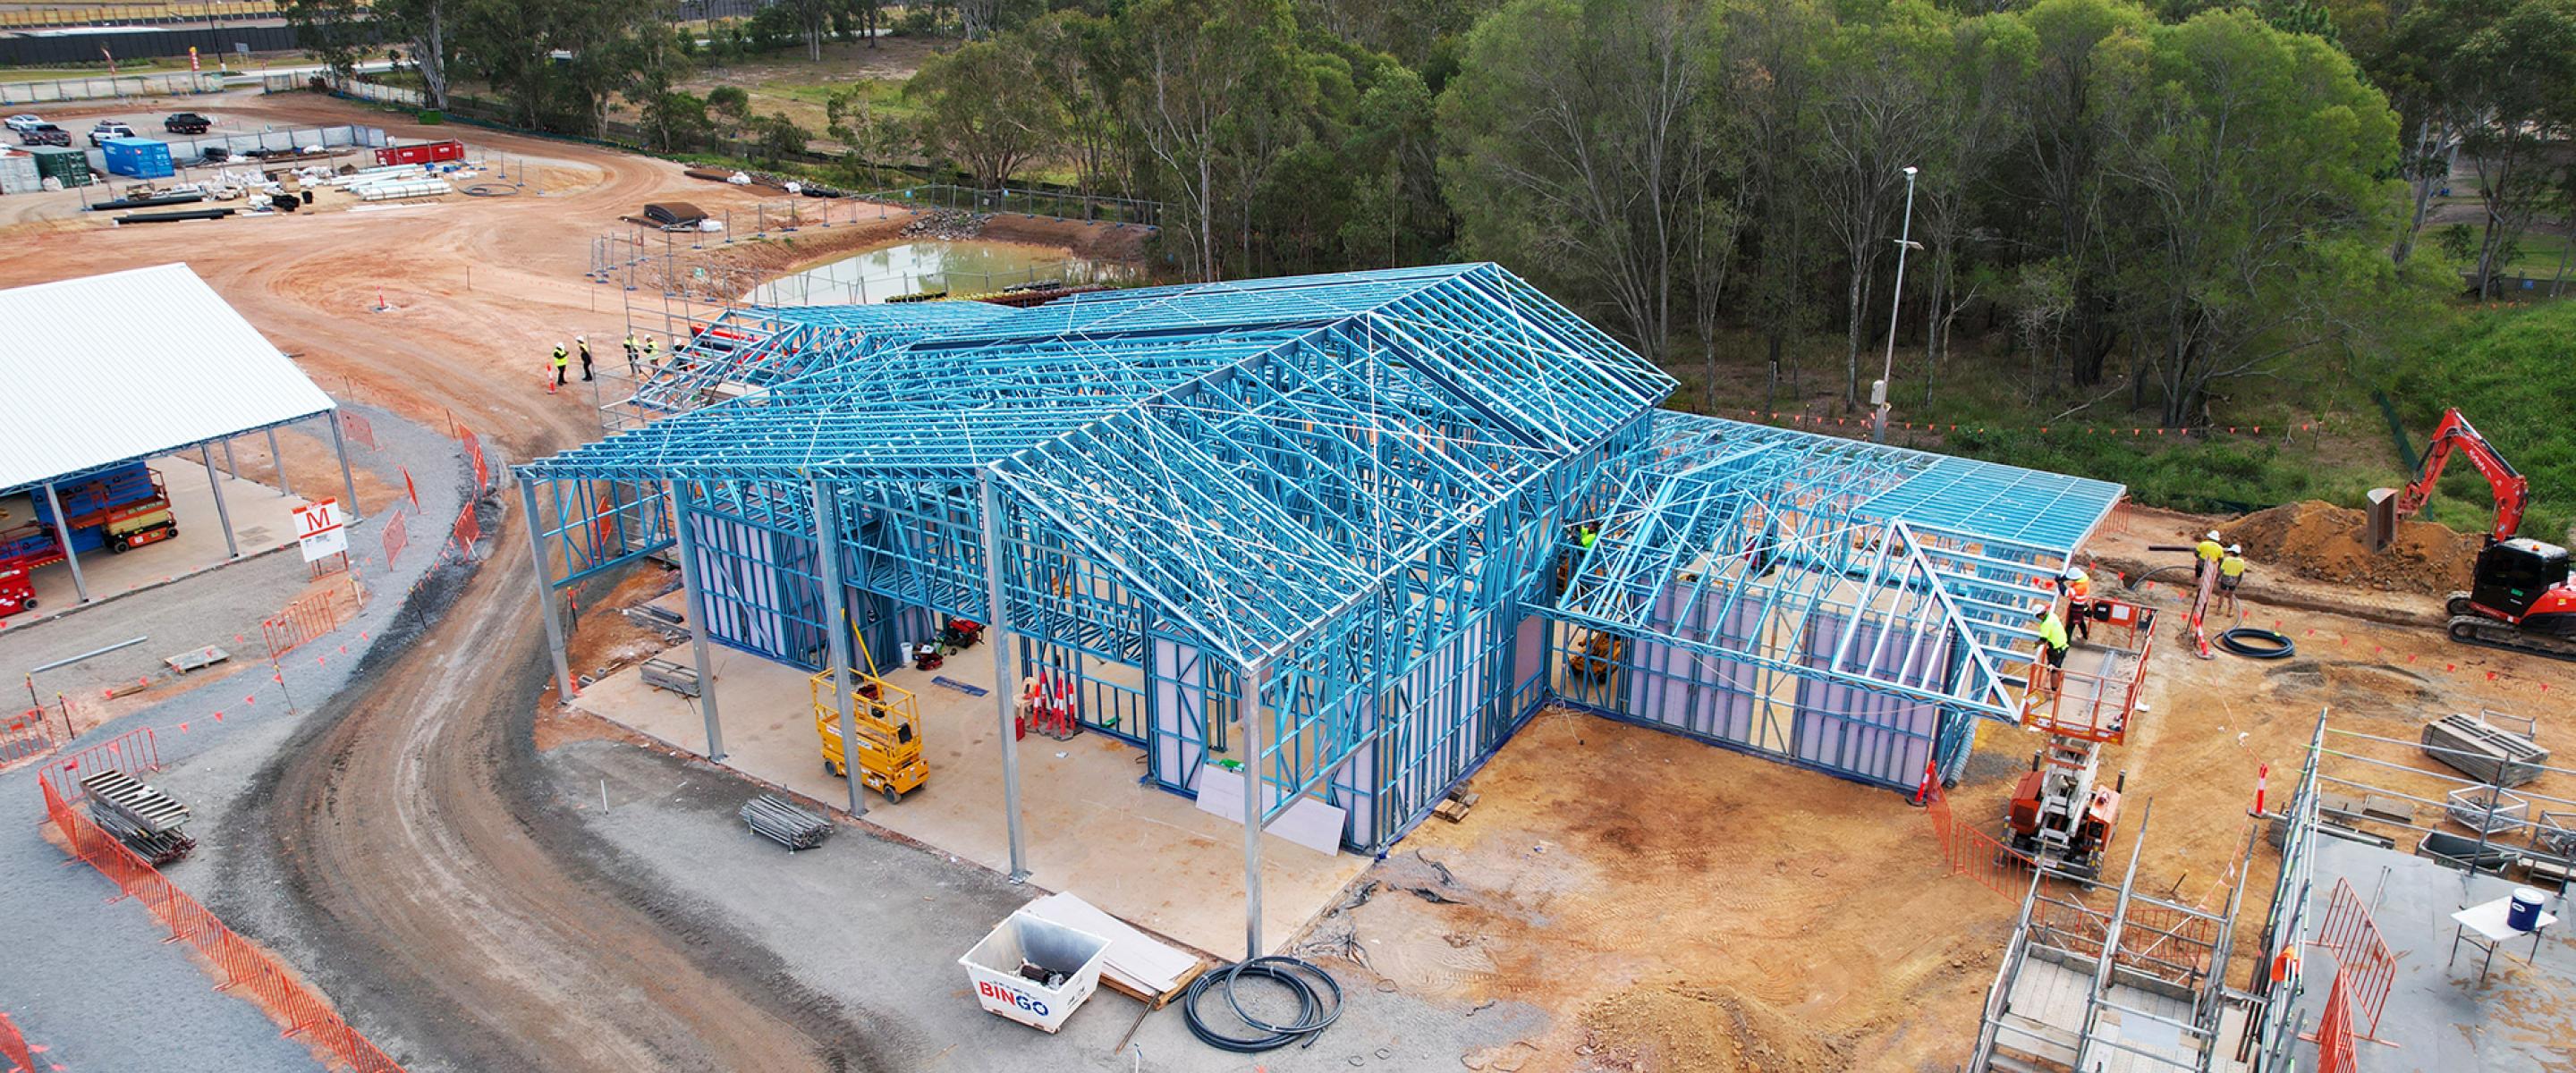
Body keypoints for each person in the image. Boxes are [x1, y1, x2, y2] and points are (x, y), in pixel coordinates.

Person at [2034, 604, 2070, 694]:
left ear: (2040, 615)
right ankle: (2056, 686)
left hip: (2056, 649)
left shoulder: (2045, 625)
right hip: (2063, 645)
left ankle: (2054, 691)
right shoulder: (2053, 616)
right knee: (2057, 667)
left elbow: (2043, 640)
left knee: (2052, 669)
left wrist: (2035, 645)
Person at [2058, 566, 2093, 643]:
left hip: (2076, 606)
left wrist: (2060, 583)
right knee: (2081, 622)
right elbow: (2071, 577)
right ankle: (2085, 637)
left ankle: (2066, 644)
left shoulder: (2078, 588)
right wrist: (2063, 579)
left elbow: (2065, 593)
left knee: (2070, 626)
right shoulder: (2084, 578)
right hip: (2083, 604)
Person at [2218, 544, 2250, 617]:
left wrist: (2217, 577)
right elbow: (2241, 573)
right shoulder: (2241, 561)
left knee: (2222, 594)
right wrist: (2238, 582)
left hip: (2225, 578)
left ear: (2232, 552)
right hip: (2234, 580)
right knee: (2231, 595)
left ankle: (2219, 609)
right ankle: (2230, 611)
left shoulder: (2227, 560)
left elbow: (2221, 570)